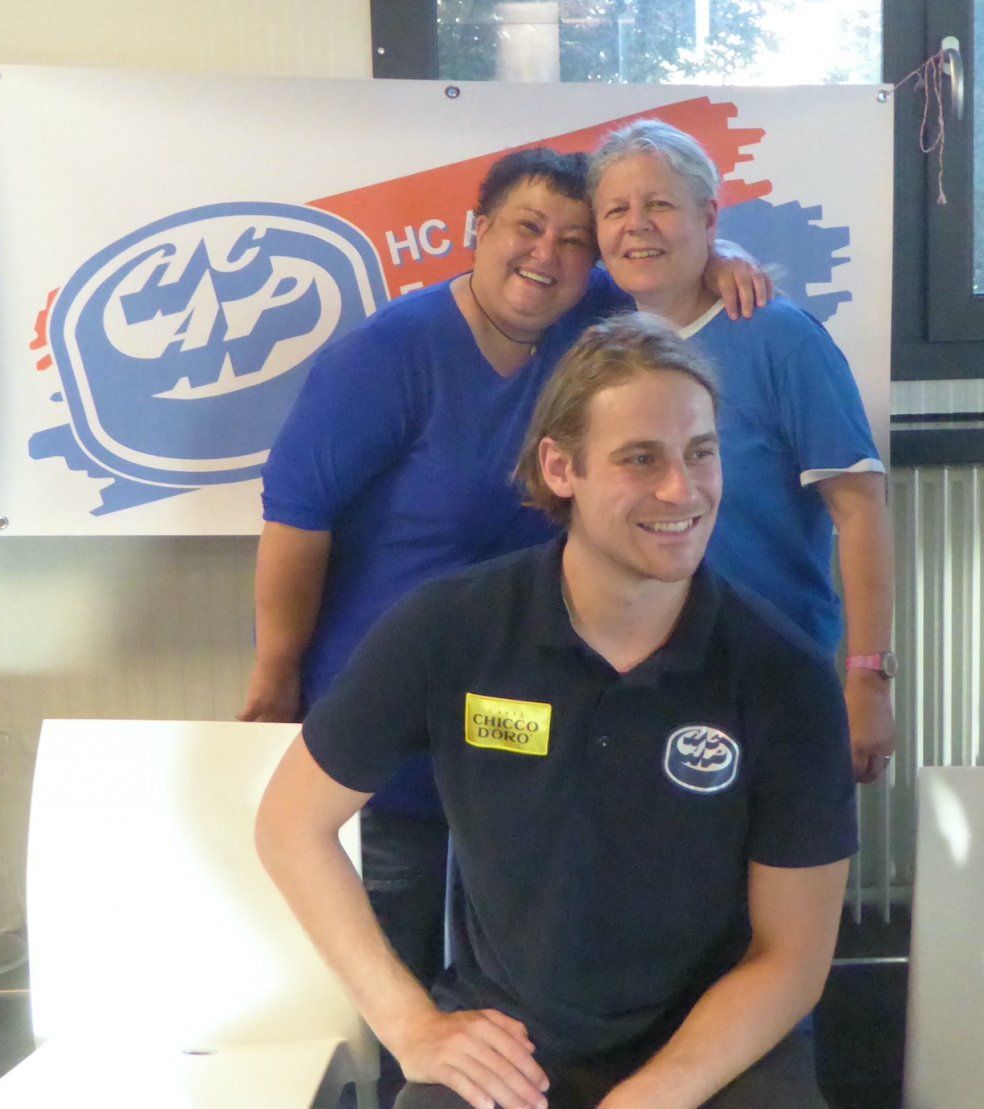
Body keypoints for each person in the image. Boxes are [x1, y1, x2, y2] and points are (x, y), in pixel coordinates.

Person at [255, 313, 856, 1109]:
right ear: (560, 466)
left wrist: (655, 1094)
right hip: (511, 1047)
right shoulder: (451, 628)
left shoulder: (783, 674)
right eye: (640, 458)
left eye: (700, 453)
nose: (682, 490)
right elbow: (289, 824)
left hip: (714, 1052)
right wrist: (410, 1025)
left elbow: (792, 959)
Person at [239, 148, 768, 999]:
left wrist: (720, 259)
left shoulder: (592, 321)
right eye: (527, 227)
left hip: (527, 729)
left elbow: (661, 272)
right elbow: (297, 519)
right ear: (478, 229)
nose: (547, 254)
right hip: (393, 723)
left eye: (574, 239)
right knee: (392, 977)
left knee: (522, 987)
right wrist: (276, 675)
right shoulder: (386, 354)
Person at [588, 120, 896, 784]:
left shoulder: (781, 337)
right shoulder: (599, 348)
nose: (637, 225)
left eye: (660, 205)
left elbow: (860, 509)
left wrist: (869, 677)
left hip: (774, 682)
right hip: (637, 689)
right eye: (616, 210)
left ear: (708, 218)